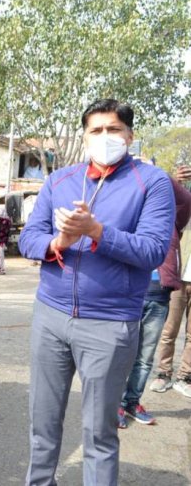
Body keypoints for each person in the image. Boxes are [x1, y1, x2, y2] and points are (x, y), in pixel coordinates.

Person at [18, 98, 175, 486]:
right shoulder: (59, 180)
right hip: (51, 317)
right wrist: (58, 241)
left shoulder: (152, 183)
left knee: (98, 434)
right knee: (43, 425)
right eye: (96, 130)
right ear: (84, 135)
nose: (105, 137)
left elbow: (153, 250)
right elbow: (28, 238)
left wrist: (97, 232)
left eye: (114, 129)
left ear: (130, 135)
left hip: (110, 323)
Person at [117, 171, 191, 427]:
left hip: (159, 293)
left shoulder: (171, 220)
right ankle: (114, 404)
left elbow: (185, 199)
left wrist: (163, 174)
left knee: (145, 356)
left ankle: (131, 401)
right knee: (121, 352)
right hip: (128, 292)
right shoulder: (127, 215)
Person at [150, 166, 191, 398]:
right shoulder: (182, 202)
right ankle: (163, 373)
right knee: (169, 329)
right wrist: (176, 181)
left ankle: (185, 376)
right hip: (180, 275)